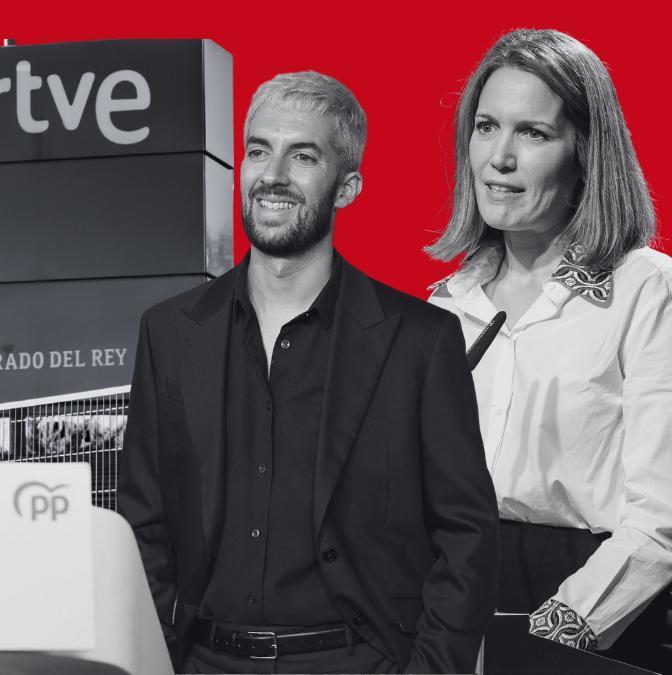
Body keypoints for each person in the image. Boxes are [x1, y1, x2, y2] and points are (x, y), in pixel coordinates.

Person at [119, 71, 498, 673]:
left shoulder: (421, 341)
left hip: (358, 662)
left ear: (347, 187)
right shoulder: (167, 331)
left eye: (302, 156)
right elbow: (143, 523)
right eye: (258, 151)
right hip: (204, 661)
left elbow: (466, 536)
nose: (272, 175)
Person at [428, 29, 672, 673]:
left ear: (586, 153)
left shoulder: (648, 291)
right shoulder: (445, 307)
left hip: (598, 606)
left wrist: (547, 638)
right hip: (451, 603)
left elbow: (661, 522)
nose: (499, 158)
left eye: (532, 133)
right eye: (486, 127)